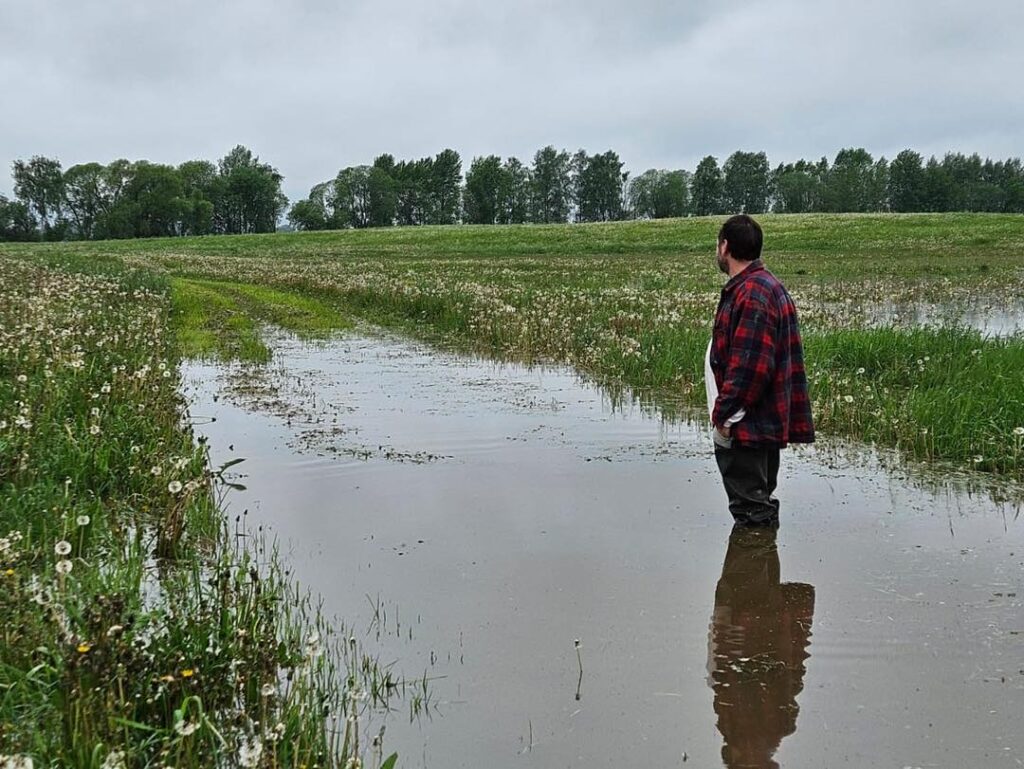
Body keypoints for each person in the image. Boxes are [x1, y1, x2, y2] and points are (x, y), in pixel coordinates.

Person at [706, 214, 814, 526]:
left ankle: (752, 573)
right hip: (755, 423)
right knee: (758, 504)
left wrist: (724, 417)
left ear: (725, 246)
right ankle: (762, 573)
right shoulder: (759, 286)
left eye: (718, 244)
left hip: (746, 425)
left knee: (752, 512)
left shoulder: (753, 293)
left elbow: (750, 368)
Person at [707, 526, 815, 768]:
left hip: (749, 629)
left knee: (752, 531)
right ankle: (759, 521)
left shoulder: (764, 726)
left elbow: (722, 672)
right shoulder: (776, 723)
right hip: (755, 631)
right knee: (755, 541)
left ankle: (757, 520)